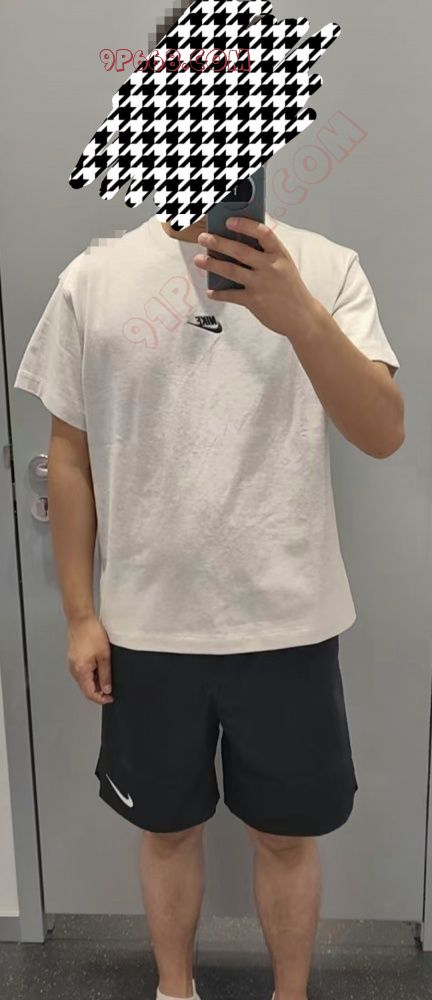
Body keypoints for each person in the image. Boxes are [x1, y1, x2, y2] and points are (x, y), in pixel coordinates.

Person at [14, 206, 404, 1000]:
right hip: (148, 627)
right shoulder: (94, 279)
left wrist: (300, 317)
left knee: (287, 837)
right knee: (167, 829)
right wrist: (81, 615)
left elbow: (382, 431)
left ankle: (290, 994)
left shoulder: (325, 266)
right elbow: (70, 454)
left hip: (288, 621)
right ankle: (174, 989)